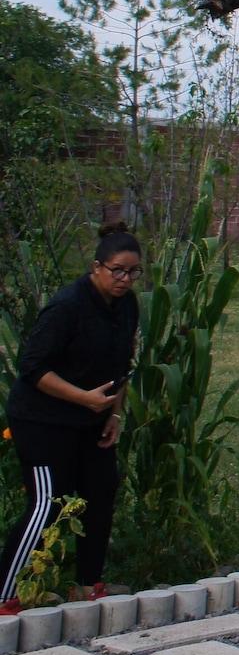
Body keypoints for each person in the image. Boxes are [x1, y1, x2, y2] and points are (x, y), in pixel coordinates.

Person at [0, 223, 142, 611]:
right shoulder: (68, 307)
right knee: (48, 502)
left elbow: (123, 364)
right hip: (43, 420)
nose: (125, 279)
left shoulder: (127, 306)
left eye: (133, 272)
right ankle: (6, 594)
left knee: (101, 489)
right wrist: (82, 398)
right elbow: (33, 368)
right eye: (117, 270)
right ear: (96, 267)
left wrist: (114, 414)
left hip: (94, 417)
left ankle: (87, 584)